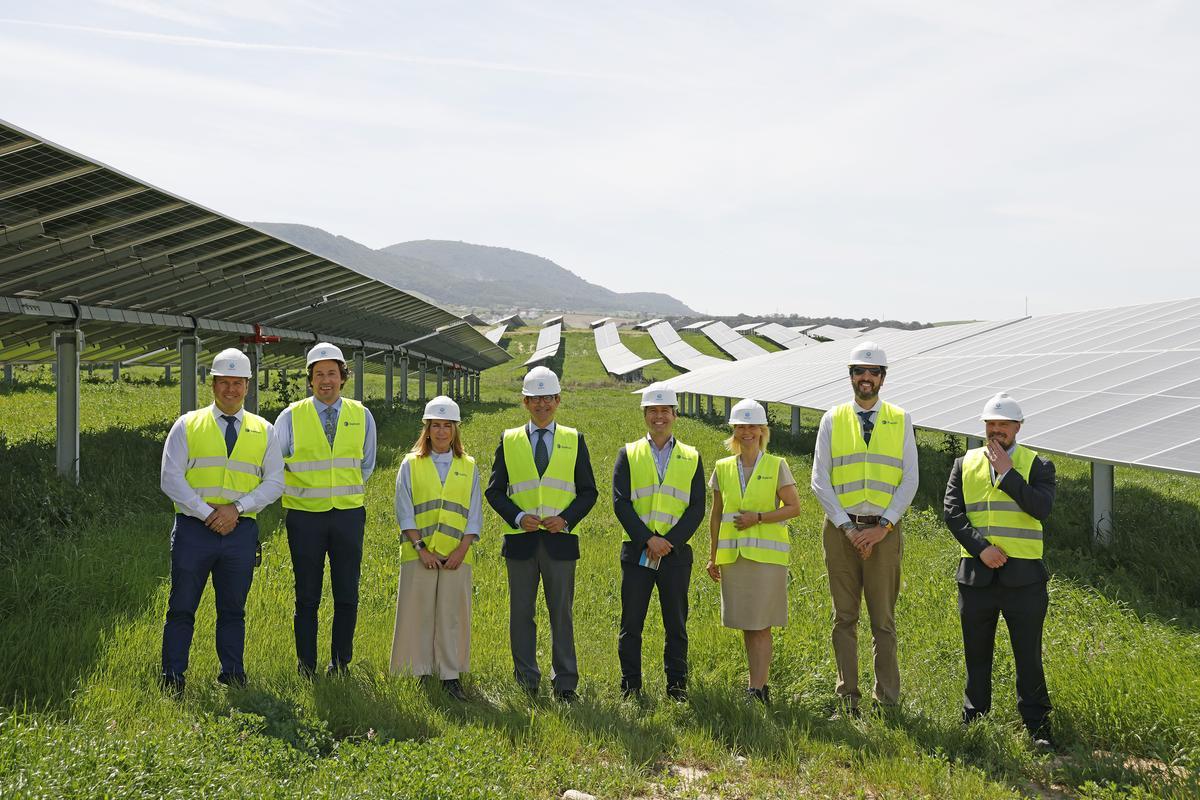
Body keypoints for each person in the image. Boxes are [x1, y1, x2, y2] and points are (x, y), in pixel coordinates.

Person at [159, 348, 283, 693]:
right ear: (212, 384)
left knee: (233, 609)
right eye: (224, 382)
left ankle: (232, 674)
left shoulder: (265, 430)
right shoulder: (188, 425)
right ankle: (173, 677)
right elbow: (170, 478)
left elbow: (275, 481)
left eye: (237, 383)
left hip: (240, 531)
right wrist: (208, 513)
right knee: (182, 605)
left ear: (247, 386)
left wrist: (237, 509)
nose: (231, 389)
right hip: (193, 530)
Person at [810, 341, 918, 716]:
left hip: (884, 533)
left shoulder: (900, 419)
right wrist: (848, 527)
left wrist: (884, 526)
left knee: (883, 620)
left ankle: (887, 699)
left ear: (883, 379)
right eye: (859, 372)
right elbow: (819, 480)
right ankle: (848, 697)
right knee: (844, 617)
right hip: (842, 532)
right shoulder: (832, 419)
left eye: (873, 372)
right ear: (851, 377)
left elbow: (910, 480)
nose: (865, 378)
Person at [944, 392, 1057, 748]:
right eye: (990, 424)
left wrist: (1008, 474)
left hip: (1024, 580)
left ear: (1017, 428)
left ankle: (1037, 727)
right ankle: (974, 719)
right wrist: (981, 550)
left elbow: (1041, 508)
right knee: (976, 654)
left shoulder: (1037, 465)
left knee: (1028, 656)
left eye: (1003, 425)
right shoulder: (964, 463)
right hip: (977, 576)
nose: (995, 431)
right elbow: (953, 513)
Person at [485, 366, 598, 702]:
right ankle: (526, 680)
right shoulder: (509, 440)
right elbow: (494, 491)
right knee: (522, 614)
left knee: (560, 613)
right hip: (521, 543)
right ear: (525, 402)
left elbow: (588, 492)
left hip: (559, 543)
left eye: (548, 398)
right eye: (535, 399)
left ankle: (565, 683)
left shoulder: (574, 440)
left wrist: (565, 519)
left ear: (558, 400)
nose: (542, 405)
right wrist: (518, 517)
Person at [275, 342, 376, 677]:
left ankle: (340, 662)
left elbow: (367, 464)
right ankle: (306, 664)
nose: (326, 380)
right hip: (304, 518)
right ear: (310, 379)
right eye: (319, 374)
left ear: (343, 377)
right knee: (307, 595)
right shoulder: (290, 417)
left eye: (332, 373)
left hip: (347, 515)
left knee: (347, 592)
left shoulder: (362, 415)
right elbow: (275, 464)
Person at [612, 383, 706, 701]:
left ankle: (677, 687)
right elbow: (620, 502)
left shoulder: (692, 457)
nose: (659, 416)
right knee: (631, 623)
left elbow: (696, 508)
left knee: (676, 625)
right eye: (653, 410)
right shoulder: (628, 453)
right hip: (638, 552)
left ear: (675, 415)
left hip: (675, 555)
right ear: (645, 415)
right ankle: (630, 686)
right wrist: (648, 539)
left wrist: (669, 542)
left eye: (665, 410)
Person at [705, 399, 801, 704]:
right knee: (748, 623)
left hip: (765, 559)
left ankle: (758, 689)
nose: (747, 432)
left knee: (760, 624)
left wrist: (757, 518)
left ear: (762, 430)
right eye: (741, 426)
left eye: (752, 427)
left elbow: (794, 507)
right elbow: (716, 514)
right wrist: (712, 555)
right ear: (734, 430)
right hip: (734, 558)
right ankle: (755, 685)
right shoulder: (722, 468)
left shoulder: (776, 465)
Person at [389, 396, 483, 701]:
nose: (441, 432)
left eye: (447, 426)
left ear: (456, 430)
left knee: (451, 614)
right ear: (426, 429)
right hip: (420, 552)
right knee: (417, 612)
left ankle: (450, 675)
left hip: (457, 555)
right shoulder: (410, 463)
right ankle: (419, 671)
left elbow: (474, 513)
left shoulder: (468, 466)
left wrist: (461, 550)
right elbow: (404, 509)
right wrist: (421, 548)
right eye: (435, 425)